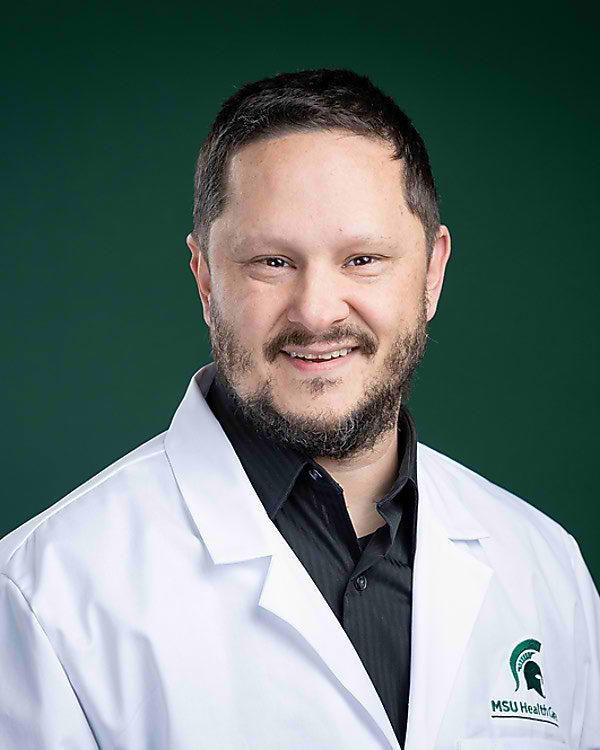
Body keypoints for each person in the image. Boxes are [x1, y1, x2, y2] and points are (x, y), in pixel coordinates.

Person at [0, 69, 598, 750]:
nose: (316, 312)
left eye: (363, 259)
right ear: (205, 279)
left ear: (432, 272)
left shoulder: (545, 569)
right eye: (272, 262)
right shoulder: (45, 596)